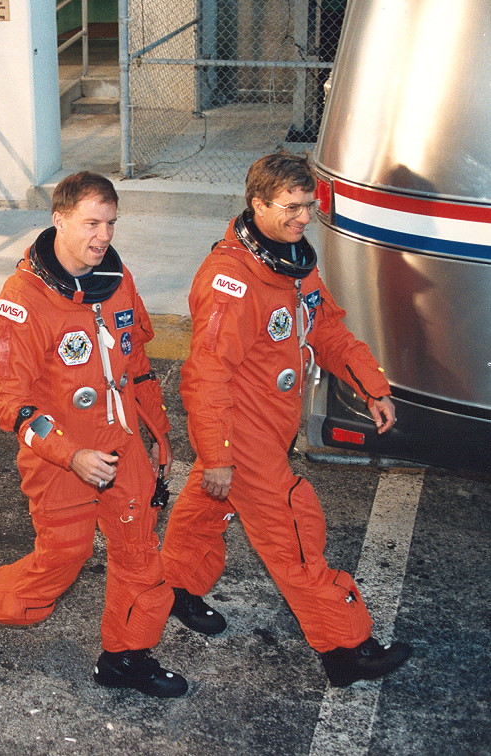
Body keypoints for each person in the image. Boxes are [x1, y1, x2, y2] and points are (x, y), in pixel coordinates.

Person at [160, 152, 411, 688]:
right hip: (240, 431)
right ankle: (346, 648)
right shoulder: (230, 281)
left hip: (274, 426)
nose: (304, 217)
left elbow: (328, 329)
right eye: (291, 207)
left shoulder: (293, 262)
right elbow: (205, 376)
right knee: (293, 528)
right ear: (258, 204)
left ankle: (174, 587)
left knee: (207, 504)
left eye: (309, 206)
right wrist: (220, 453)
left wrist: (373, 386)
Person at [0, 172, 186, 698]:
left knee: (140, 553)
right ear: (59, 219)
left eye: (111, 223)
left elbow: (138, 365)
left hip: (122, 446)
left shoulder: (118, 280)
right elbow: (10, 402)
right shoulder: (22, 299)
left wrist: (158, 436)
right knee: (59, 566)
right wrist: (71, 453)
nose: (103, 236)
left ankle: (125, 657)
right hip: (60, 457)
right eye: (91, 223)